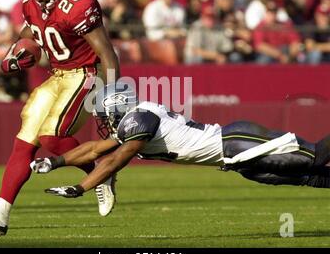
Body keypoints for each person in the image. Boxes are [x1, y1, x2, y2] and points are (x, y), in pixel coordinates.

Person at [0, 0, 120, 236]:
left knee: (51, 137)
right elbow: (30, 33)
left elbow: (107, 53)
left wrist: (110, 93)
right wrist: (17, 52)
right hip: (57, 75)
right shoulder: (30, 4)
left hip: (85, 73)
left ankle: (102, 171)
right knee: (24, 142)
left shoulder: (79, 4)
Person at [30, 82, 330, 202]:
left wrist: (82, 187)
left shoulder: (139, 120)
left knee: (313, 158)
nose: (104, 121)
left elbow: (116, 159)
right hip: (233, 159)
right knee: (305, 177)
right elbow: (96, 149)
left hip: (235, 143)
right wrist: (55, 162)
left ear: (117, 107)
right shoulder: (134, 119)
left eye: (105, 115)